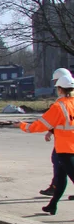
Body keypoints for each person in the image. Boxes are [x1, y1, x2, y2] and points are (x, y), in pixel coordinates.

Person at [21, 69, 74, 215]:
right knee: (61, 178)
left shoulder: (59, 106)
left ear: (60, 89)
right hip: (67, 148)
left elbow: (41, 124)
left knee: (67, 176)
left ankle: (53, 203)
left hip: (65, 149)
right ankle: (52, 205)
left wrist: (23, 126)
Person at [40, 69, 71, 198]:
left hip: (67, 139)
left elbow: (61, 117)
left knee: (59, 161)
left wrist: (48, 131)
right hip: (67, 137)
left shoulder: (65, 100)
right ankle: (55, 189)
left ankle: (55, 187)